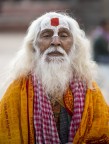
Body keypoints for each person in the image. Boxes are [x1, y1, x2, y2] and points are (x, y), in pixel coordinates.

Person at [0, 12, 109, 144]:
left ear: (74, 47)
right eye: (46, 35)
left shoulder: (90, 90)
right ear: (34, 46)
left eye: (63, 35)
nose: (56, 42)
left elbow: (103, 133)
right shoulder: (18, 90)